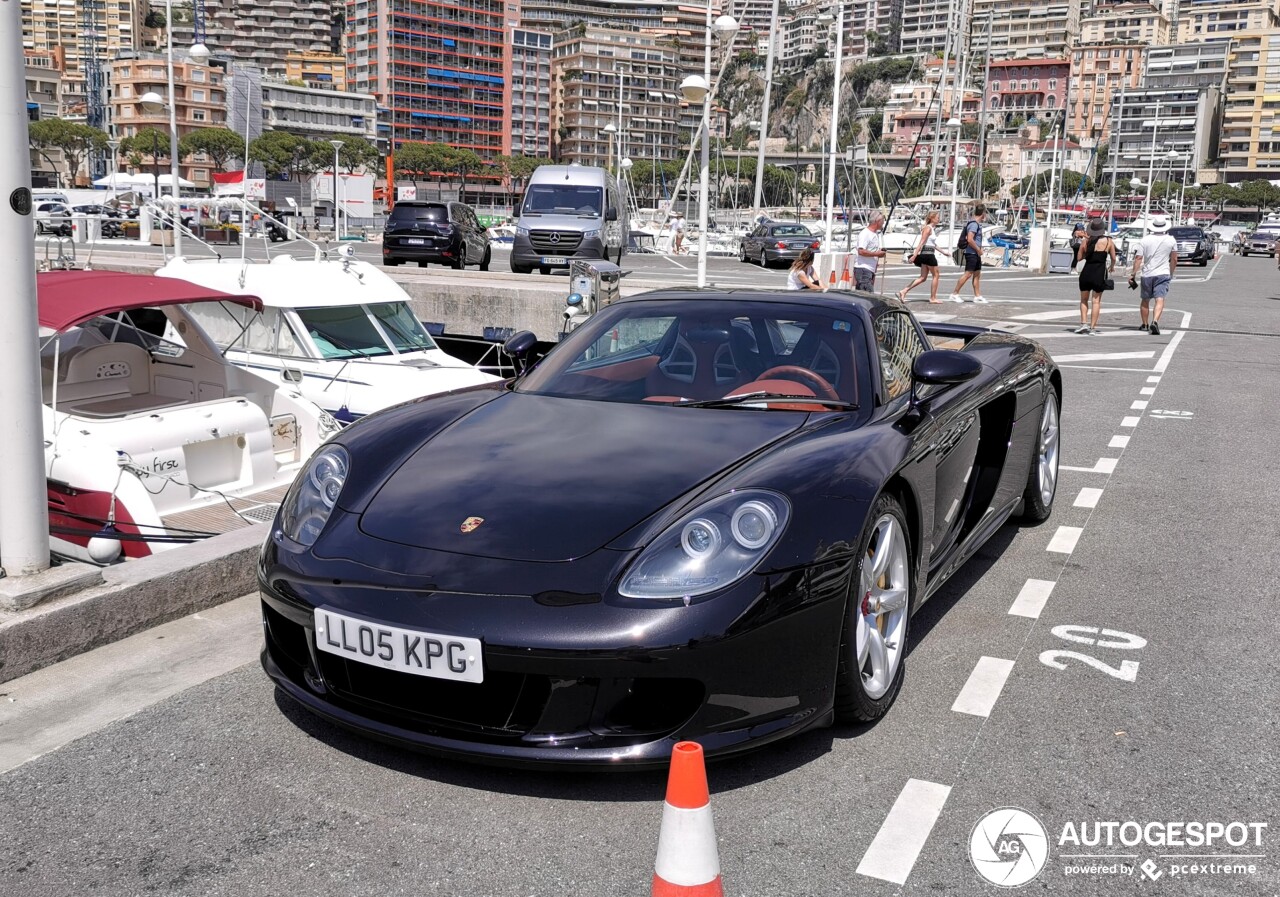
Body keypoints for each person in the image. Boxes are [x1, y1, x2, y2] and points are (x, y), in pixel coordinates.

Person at [1130, 216, 1176, 335]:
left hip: (1147, 274)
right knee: (1159, 299)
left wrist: (1133, 274)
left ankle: (1145, 324)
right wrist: (1171, 272)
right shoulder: (1171, 240)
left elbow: (1138, 258)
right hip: (1163, 273)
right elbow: (1174, 259)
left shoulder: (1145, 240)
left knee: (1145, 300)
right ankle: (1155, 321)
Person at [1073, 217, 1116, 334]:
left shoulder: (1086, 241)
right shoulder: (1109, 241)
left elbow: (1079, 258)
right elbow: (1113, 258)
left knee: (1083, 300)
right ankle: (1093, 328)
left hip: (1087, 272)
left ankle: (1083, 324)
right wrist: (1112, 267)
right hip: (1099, 272)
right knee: (1096, 301)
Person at [898, 211, 942, 303]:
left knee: (923, 277)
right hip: (928, 254)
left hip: (927, 253)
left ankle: (904, 291)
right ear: (932, 218)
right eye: (937, 217)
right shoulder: (928, 228)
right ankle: (933, 298)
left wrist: (944, 252)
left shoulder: (931, 229)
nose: (939, 219)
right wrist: (914, 255)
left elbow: (933, 244)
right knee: (936, 275)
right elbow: (921, 242)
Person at [949, 204, 988, 303]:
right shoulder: (974, 224)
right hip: (971, 253)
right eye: (985, 213)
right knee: (968, 274)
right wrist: (978, 250)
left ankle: (977, 295)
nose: (986, 215)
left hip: (975, 253)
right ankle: (954, 293)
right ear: (982, 214)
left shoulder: (976, 224)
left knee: (977, 274)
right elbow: (970, 239)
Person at [854, 211, 888, 291]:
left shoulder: (874, 234)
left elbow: (869, 250)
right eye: (882, 222)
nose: (883, 224)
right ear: (878, 221)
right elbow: (861, 251)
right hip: (863, 269)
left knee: (864, 295)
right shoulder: (865, 234)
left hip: (869, 269)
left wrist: (878, 253)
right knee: (867, 295)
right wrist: (877, 254)